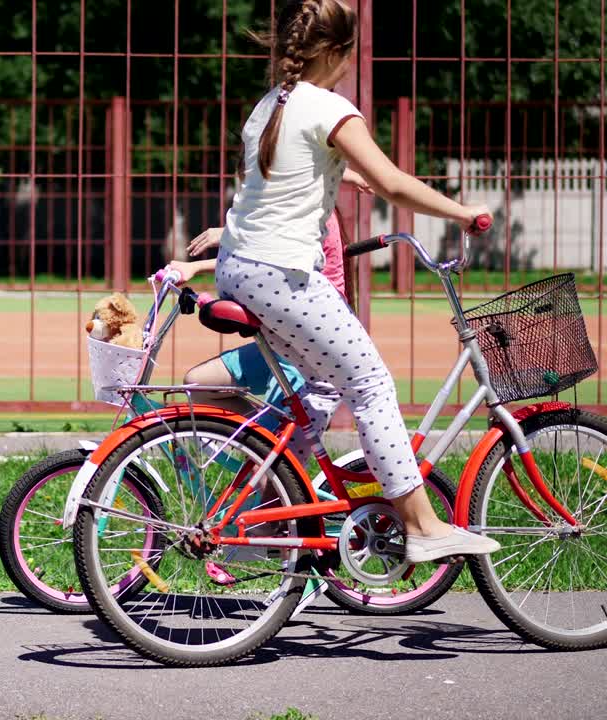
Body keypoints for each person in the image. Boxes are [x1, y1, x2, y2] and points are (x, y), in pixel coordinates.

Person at [209, 0, 498, 563]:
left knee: (318, 389)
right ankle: (421, 526)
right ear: (341, 53)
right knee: (370, 384)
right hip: (283, 272)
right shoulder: (331, 109)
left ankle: (262, 517)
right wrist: (462, 212)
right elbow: (392, 182)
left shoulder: (271, 105)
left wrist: (349, 175)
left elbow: (292, 179)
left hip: (240, 267)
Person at [167, 174, 369, 431]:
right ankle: (264, 442)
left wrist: (228, 235)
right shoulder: (287, 213)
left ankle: (270, 447)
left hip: (310, 341)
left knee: (369, 393)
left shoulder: (310, 216)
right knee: (198, 383)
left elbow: (271, 257)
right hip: (283, 340)